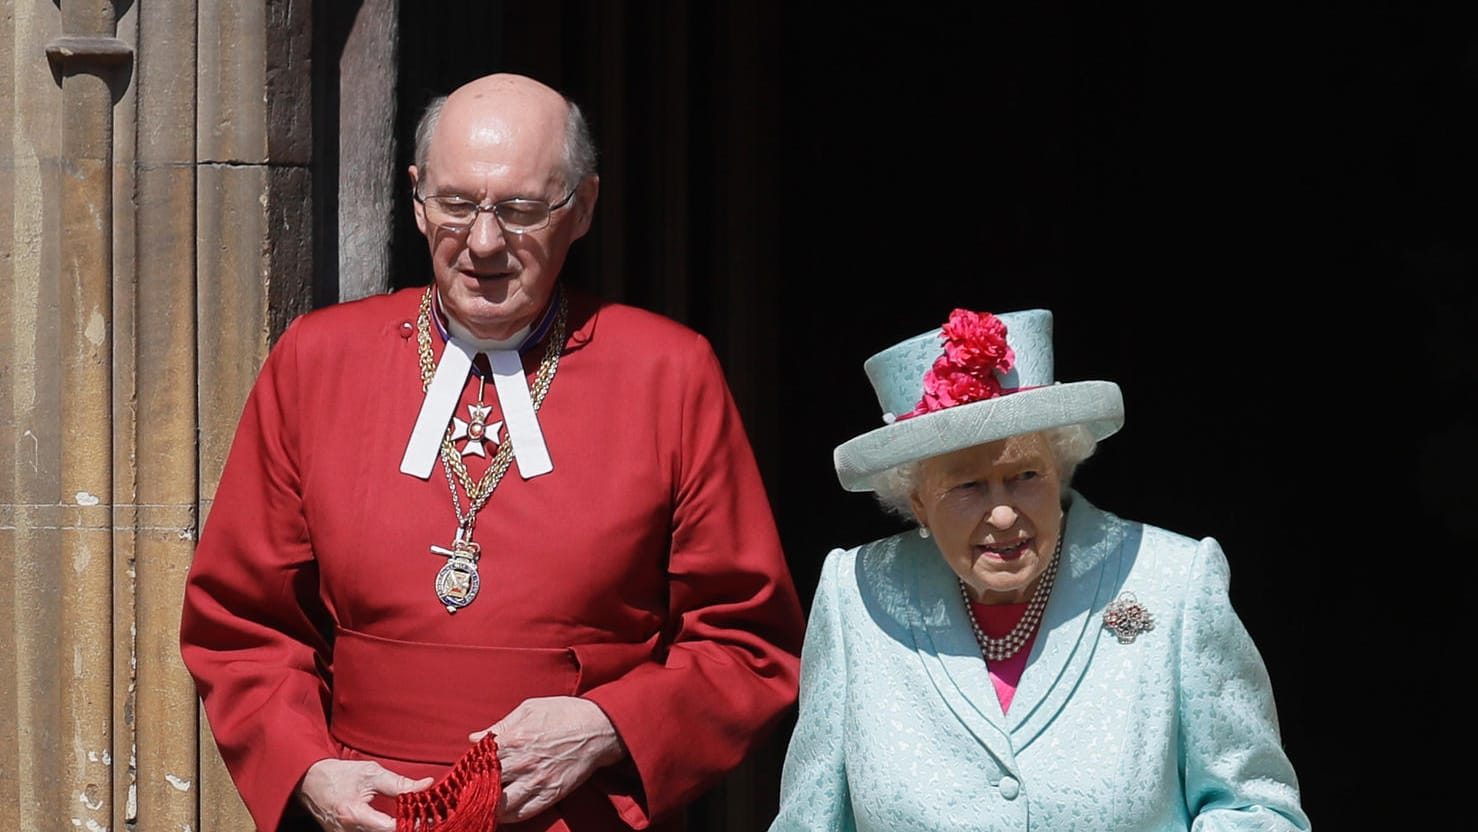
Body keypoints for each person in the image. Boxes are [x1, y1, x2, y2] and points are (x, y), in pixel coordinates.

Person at [180, 72, 805, 832]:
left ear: (582, 209)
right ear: (415, 198)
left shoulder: (670, 374)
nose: (483, 243)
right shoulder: (318, 361)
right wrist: (307, 768)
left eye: (521, 210)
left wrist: (609, 726)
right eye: (455, 204)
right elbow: (242, 625)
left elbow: (748, 645)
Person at [769, 307, 1311, 831]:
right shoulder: (854, 595)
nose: (1003, 513)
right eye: (967, 486)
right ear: (917, 501)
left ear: (1062, 467)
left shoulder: (1175, 581)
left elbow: (1257, 811)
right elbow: (809, 819)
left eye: (1026, 474)